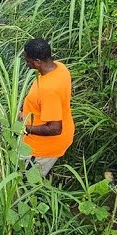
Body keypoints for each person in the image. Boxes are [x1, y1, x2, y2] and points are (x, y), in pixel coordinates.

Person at [20, 38, 74, 177]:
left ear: (38, 62)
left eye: (27, 61)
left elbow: (55, 128)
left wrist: (23, 128)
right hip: (60, 137)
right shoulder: (60, 68)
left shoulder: (49, 90)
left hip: (40, 150)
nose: (26, 63)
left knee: (25, 184)